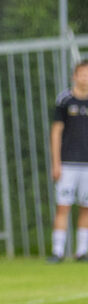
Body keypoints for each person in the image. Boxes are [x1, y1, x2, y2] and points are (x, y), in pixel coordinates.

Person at [47, 60, 88, 263]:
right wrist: (56, 162)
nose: (85, 78)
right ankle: (57, 251)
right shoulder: (64, 100)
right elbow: (56, 132)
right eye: (82, 74)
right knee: (63, 206)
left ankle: (81, 252)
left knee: (86, 208)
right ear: (75, 76)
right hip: (68, 163)